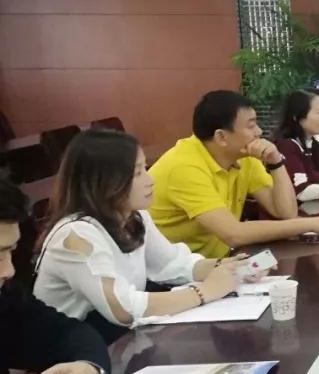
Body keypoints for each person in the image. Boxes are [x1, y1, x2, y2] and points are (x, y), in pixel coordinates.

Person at [34, 130, 252, 343]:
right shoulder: (76, 235)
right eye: (137, 173)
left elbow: (172, 264)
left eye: (144, 168)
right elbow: (122, 309)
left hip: (114, 337)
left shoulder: (134, 216)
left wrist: (227, 267)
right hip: (69, 350)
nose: (150, 180)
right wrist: (205, 291)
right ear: (105, 182)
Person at [150, 91, 319, 258]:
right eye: (251, 125)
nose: (259, 131)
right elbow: (233, 233)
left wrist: (276, 162)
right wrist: (313, 224)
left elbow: (285, 212)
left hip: (220, 261)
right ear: (221, 137)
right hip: (175, 277)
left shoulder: (244, 156)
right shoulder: (185, 167)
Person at [0, 173, 108, 374]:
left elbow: (65, 331)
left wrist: (88, 370)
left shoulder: (5, 294)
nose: (8, 270)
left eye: (10, 252)